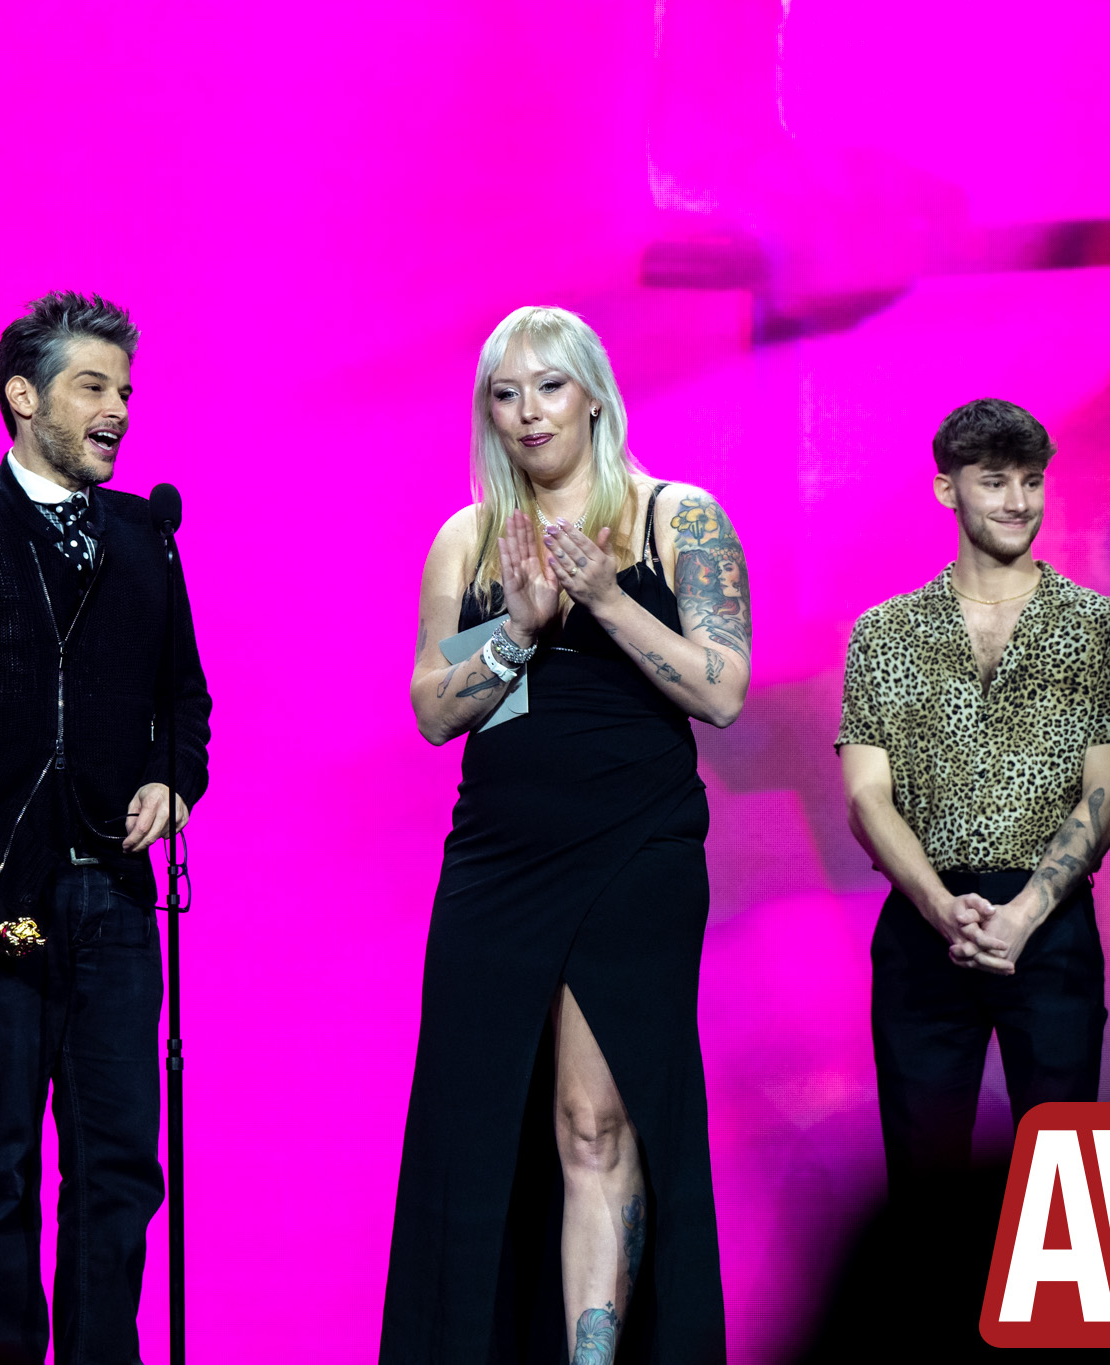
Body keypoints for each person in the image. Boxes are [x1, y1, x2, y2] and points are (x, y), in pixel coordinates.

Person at [381, 306, 748, 1365]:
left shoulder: (676, 516)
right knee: (476, 1122)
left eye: (548, 387)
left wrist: (603, 600)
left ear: (592, 396)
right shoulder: (468, 538)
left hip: (635, 848)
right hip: (497, 861)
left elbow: (722, 691)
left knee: (595, 1117)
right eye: (505, 394)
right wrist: (520, 627)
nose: (528, 412)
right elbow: (433, 710)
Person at [0, 290, 210, 1365]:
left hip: (112, 897)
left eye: (126, 391)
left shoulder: (145, 538)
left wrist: (173, 781)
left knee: (119, 1168)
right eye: (92, 386)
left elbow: (186, 704)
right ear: (25, 396)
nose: (117, 410)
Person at [836, 399, 1110, 1355]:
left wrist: (1023, 914)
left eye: (1032, 480)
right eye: (995, 481)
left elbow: (1108, 793)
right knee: (922, 1180)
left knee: (1063, 1185)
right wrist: (942, 907)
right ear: (948, 489)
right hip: (924, 929)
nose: (1018, 500)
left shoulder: (1099, 628)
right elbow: (867, 796)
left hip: (1048, 930)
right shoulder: (885, 631)